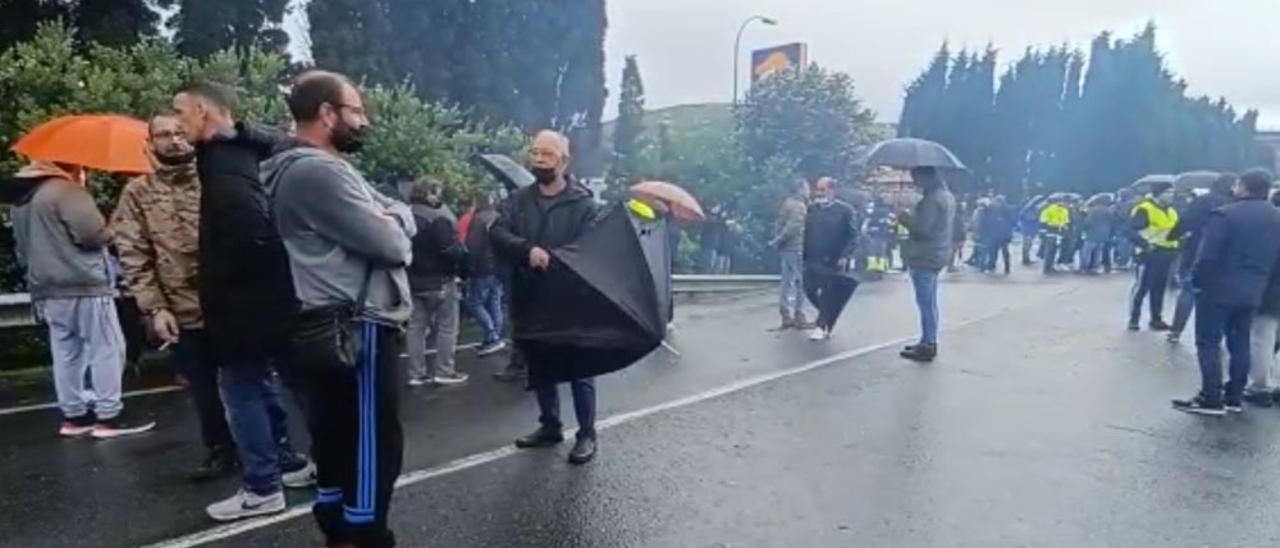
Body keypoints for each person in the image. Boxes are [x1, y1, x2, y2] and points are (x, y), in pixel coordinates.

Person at [263, 70, 414, 548]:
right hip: (358, 319)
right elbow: (393, 243)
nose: (364, 121)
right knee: (373, 438)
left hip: (330, 316)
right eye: (356, 111)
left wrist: (392, 214)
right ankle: (364, 532)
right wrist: (392, 221)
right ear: (327, 114)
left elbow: (395, 208)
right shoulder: (318, 171)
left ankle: (337, 522)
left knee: (334, 429)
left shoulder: (313, 166)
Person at [172, 81, 314, 521]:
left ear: (201, 111)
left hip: (244, 305)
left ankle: (262, 486)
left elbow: (250, 228)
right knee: (299, 385)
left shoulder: (223, 162)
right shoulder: (248, 151)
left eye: (180, 114)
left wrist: (232, 287)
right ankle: (326, 464)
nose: (177, 126)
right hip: (273, 298)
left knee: (241, 389)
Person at [111, 112, 235, 479]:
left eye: (180, 132)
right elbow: (134, 254)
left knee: (251, 381)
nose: (174, 140)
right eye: (164, 134)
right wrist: (155, 308)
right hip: (182, 310)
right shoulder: (138, 193)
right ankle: (220, 449)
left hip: (230, 304)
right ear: (151, 143)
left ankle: (276, 448)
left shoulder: (217, 180)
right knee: (204, 388)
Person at [8, 161, 156, 439]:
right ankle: (109, 416)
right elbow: (93, 237)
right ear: (70, 165)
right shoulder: (66, 191)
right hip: (84, 283)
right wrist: (114, 223)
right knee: (108, 348)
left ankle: (74, 415)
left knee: (67, 354)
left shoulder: (22, 197)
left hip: (46, 288)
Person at [490, 130, 601, 465]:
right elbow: (497, 232)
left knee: (580, 371)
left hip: (571, 300)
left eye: (547, 154)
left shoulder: (584, 206)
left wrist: (556, 259)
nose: (538, 159)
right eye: (535, 153)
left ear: (564, 161)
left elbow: (591, 248)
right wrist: (527, 251)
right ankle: (550, 426)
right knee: (541, 366)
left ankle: (586, 434)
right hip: (529, 296)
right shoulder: (517, 200)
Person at [1172, 169, 1280, 415]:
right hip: (1254, 290)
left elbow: (1208, 255)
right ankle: (1234, 396)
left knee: (1208, 342)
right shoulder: (1276, 217)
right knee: (1240, 342)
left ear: (1243, 187)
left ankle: (1210, 397)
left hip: (1218, 288)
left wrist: (1197, 281)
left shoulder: (1225, 215)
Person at [405, 178, 469, 387]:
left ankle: (416, 373)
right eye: (437, 193)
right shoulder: (438, 219)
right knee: (447, 327)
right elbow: (450, 250)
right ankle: (444, 370)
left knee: (416, 328)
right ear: (429, 194)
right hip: (440, 280)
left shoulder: (404, 215)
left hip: (412, 280)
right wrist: (463, 260)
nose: (439, 198)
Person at [1166, 174, 1236, 343]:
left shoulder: (1200, 201)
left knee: (1187, 292)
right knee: (1217, 297)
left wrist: (1172, 236)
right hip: (1222, 257)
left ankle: (1176, 331)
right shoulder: (1233, 205)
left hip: (1194, 251)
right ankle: (1216, 333)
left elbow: (1184, 221)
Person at [899, 167, 956, 362]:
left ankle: (928, 344)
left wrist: (904, 217)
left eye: (917, 178)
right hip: (938, 253)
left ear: (927, 177)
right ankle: (928, 340)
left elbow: (923, 229)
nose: (915, 182)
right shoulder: (947, 196)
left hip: (925, 255)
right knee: (929, 302)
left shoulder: (931, 200)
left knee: (925, 302)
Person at [801, 177, 860, 342]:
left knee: (828, 292)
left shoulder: (845, 210)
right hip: (812, 257)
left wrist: (844, 255)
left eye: (823, 189)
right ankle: (827, 315)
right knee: (809, 288)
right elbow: (806, 231)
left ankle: (821, 325)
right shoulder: (812, 209)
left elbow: (852, 236)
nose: (819, 193)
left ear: (832, 190)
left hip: (833, 259)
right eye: (817, 190)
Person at [1126, 182, 1180, 331]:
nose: (1171, 196)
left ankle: (1156, 319)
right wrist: (1145, 245)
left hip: (1167, 253)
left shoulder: (1171, 211)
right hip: (1149, 254)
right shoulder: (1144, 209)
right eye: (1168, 193)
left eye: (1172, 193)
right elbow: (1130, 231)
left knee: (1159, 288)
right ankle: (1134, 319)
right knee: (1142, 288)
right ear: (1158, 194)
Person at [464, 192, 508, 357]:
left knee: (474, 302)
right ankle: (494, 338)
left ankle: (492, 335)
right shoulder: (499, 217)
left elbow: (473, 247)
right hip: (499, 267)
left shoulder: (479, 219)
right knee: (494, 301)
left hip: (482, 267)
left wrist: (469, 267)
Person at [770, 179, 810, 330]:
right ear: (800, 189)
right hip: (795, 247)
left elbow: (779, 224)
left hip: (786, 248)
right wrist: (778, 240)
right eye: (806, 188)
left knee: (786, 281)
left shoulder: (787, 203)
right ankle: (798, 315)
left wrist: (777, 241)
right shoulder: (799, 206)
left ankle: (785, 313)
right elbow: (793, 227)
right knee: (801, 282)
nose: (808, 191)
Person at [1079, 199, 1115, 274]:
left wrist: (1084, 228)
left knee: (1087, 251)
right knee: (1098, 251)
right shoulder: (1109, 210)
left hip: (1092, 233)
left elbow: (1088, 221)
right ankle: (1094, 267)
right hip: (1104, 233)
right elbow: (1112, 222)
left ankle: (1084, 267)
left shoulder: (1093, 210)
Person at [864, 196, 897, 275]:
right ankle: (881, 267)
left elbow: (868, 222)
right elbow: (892, 223)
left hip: (873, 234)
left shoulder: (873, 212)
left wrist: (868, 230)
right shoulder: (887, 212)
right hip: (884, 235)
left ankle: (873, 267)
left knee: (872, 251)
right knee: (882, 251)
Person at [1038, 196, 1070, 275]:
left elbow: (1043, 221)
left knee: (1051, 250)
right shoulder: (1061, 210)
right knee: (1051, 250)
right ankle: (1048, 267)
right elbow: (1065, 222)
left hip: (1053, 231)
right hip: (1056, 232)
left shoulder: (1049, 210)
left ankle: (1048, 266)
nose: (1063, 203)